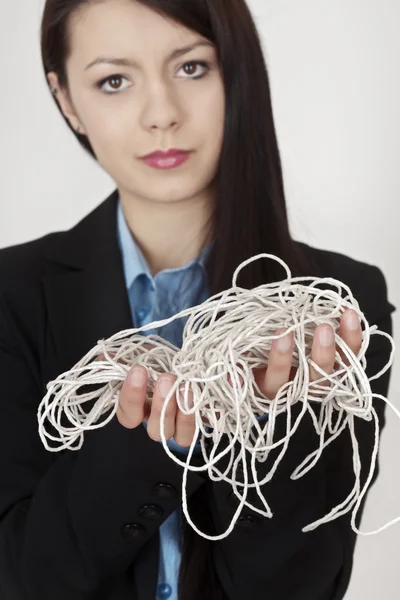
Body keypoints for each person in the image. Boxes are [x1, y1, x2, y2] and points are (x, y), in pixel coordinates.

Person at [0, 1, 395, 599]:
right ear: (67, 101)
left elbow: (303, 587)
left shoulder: (335, 306)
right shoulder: (12, 294)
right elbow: (19, 576)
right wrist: (147, 444)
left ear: (237, 73)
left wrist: (271, 428)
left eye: (191, 68)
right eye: (114, 81)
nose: (162, 114)